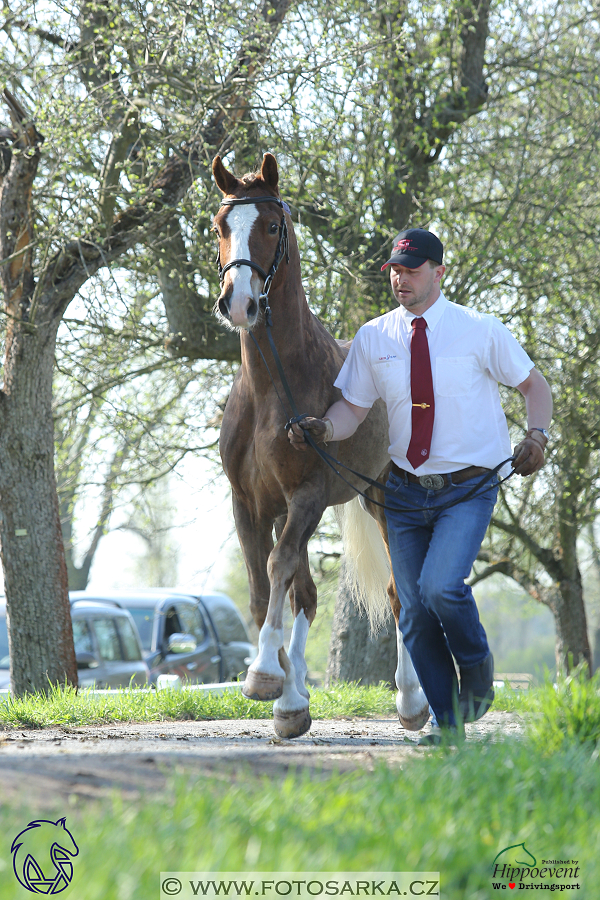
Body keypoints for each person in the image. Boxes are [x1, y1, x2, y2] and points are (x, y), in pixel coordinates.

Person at [288, 228, 553, 743]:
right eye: (394, 270)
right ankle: (447, 725)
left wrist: (537, 435)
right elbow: (353, 408)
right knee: (412, 612)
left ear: (438, 272)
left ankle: (476, 668)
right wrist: (326, 428)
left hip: (468, 487)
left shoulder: (480, 330)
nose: (400, 279)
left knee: (440, 588)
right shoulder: (374, 337)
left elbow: (533, 386)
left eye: (410, 270)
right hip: (404, 491)